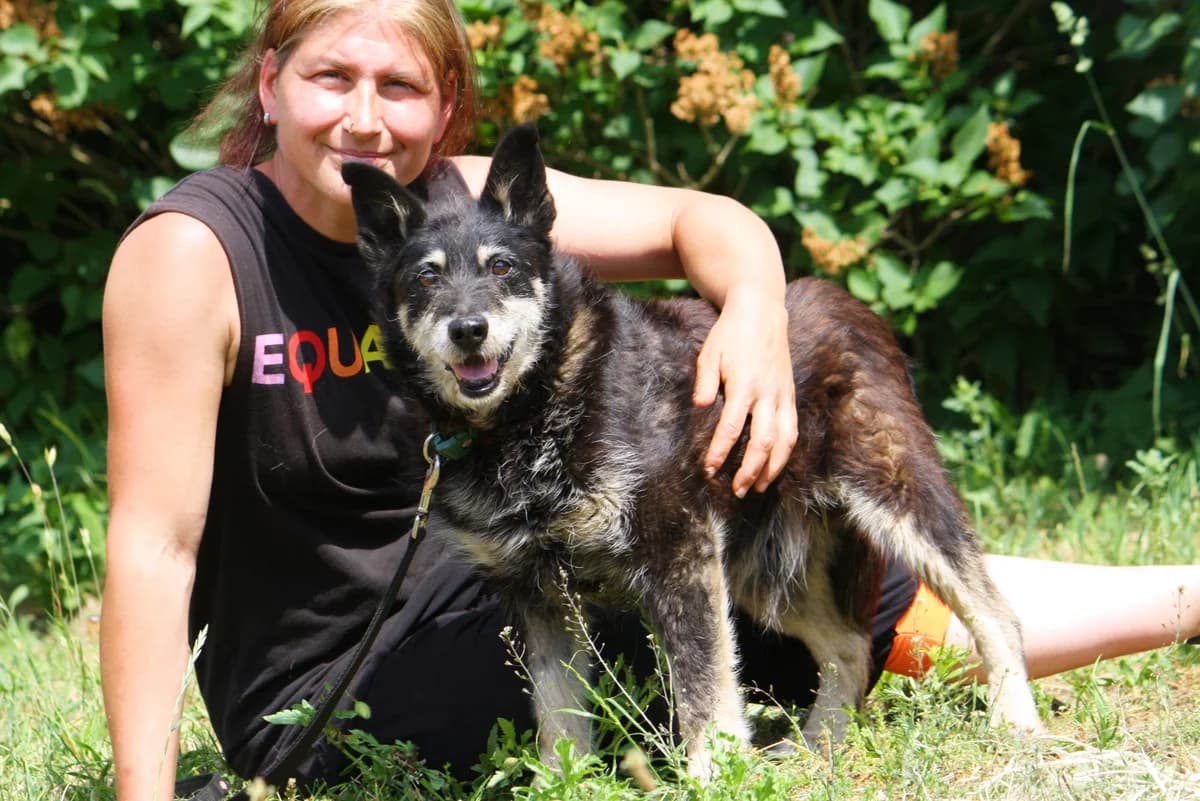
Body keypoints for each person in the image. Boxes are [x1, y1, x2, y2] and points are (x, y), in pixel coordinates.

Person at [98, 1, 1200, 799]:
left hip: (495, 576)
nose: (364, 119)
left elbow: (702, 221)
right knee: (726, 596)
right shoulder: (196, 253)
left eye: (400, 88)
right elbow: (153, 546)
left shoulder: (463, 206)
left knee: (795, 563)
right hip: (337, 678)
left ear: (445, 107)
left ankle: (1183, 597)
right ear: (272, 83)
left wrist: (755, 318)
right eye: (332, 78)